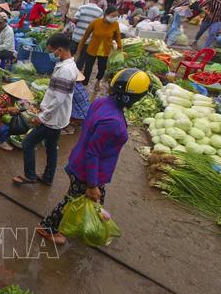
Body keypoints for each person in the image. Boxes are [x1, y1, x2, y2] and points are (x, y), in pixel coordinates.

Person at [36, 68, 150, 244]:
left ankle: (89, 225)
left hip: (84, 165)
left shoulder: (102, 103)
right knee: (72, 201)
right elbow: (93, 152)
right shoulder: (112, 122)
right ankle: (48, 228)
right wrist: (92, 184)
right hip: (86, 172)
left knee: (95, 200)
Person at [13, 35, 79, 185]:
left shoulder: (66, 70)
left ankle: (29, 175)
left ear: (60, 50)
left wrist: (42, 116)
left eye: (52, 51)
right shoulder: (66, 66)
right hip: (57, 117)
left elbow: (58, 99)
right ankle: (48, 177)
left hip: (52, 118)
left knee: (28, 143)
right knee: (51, 147)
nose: (51, 54)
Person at [77, 6, 123, 88]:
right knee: (88, 68)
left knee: (102, 68)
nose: (114, 18)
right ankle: (84, 84)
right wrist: (80, 48)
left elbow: (118, 36)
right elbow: (85, 36)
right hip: (92, 49)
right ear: (106, 14)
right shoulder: (95, 22)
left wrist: (119, 45)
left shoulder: (115, 25)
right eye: (113, 16)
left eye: (116, 16)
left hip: (105, 50)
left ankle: (98, 81)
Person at [0, 81, 34, 151]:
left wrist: (15, 111)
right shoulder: (4, 98)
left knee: (11, 124)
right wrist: (8, 110)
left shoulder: (12, 98)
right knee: (7, 128)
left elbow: (9, 110)